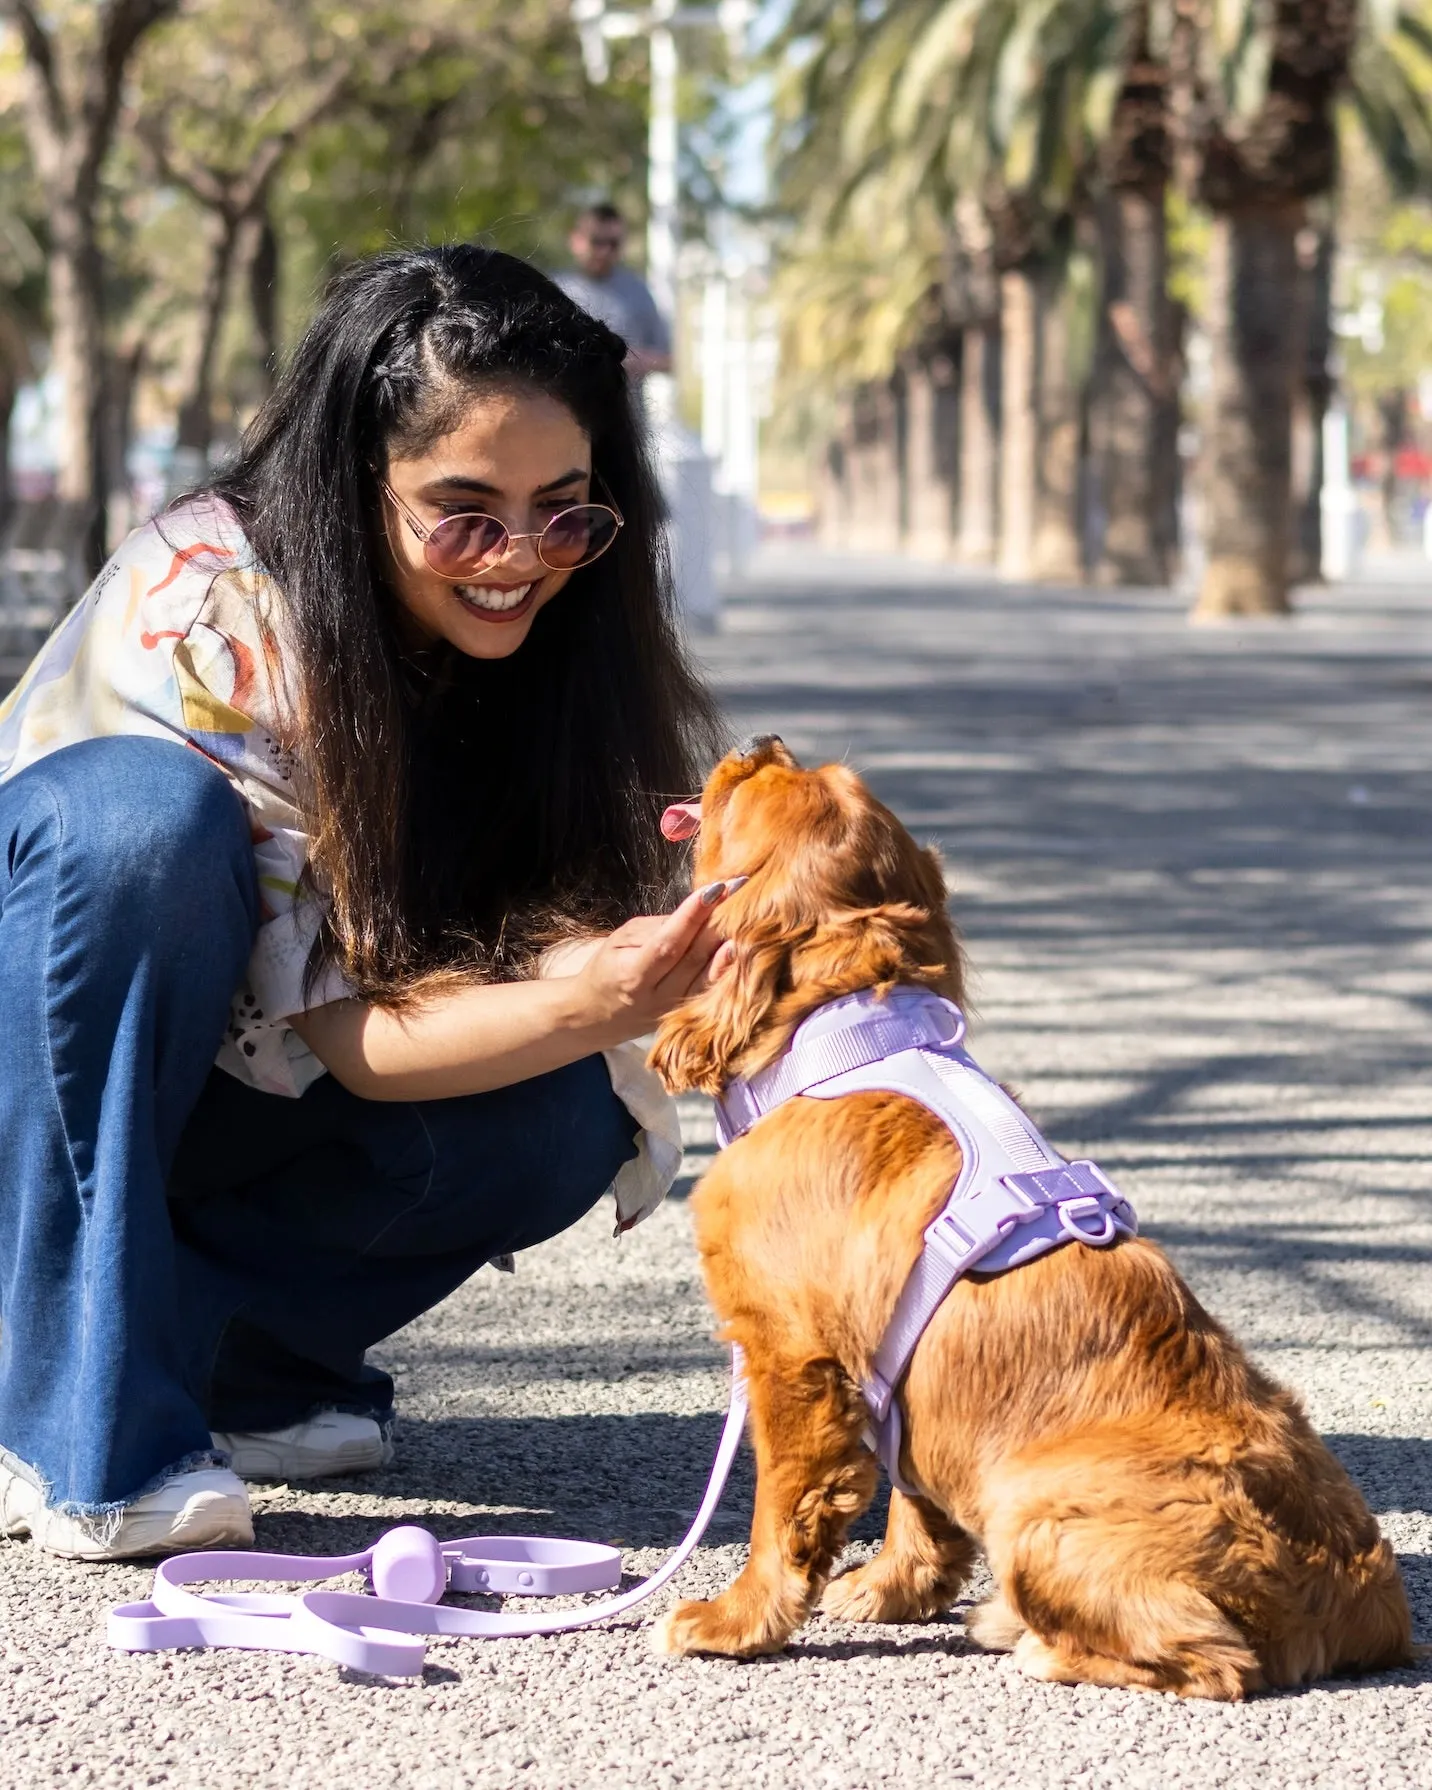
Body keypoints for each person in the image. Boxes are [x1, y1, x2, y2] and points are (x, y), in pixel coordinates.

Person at [0, 244, 729, 1561]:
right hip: (35, 1081)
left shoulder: (562, 623)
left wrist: (606, 968)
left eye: (566, 510)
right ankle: (71, 1414)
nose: (520, 556)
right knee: (139, 829)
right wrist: (591, 994)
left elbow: (435, 972)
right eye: (465, 512)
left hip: (216, 1075)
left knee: (562, 1112)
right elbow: (352, 1043)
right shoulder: (216, 602)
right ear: (357, 477)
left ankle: (231, 1363)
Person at [553, 203, 672, 382]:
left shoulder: (639, 292)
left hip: (626, 409)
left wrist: (628, 360)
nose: (605, 251)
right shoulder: (556, 291)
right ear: (576, 240)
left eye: (613, 244)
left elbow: (667, 360)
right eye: (597, 242)